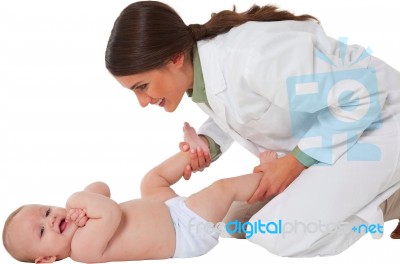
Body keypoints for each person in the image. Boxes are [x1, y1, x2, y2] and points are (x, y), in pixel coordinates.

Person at [105, 1, 400, 257]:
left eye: (142, 87)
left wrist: (295, 162)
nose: (143, 102)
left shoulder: (252, 59)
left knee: (280, 233)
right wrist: (208, 142)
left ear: (174, 58)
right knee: (234, 222)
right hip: (335, 131)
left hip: (380, 122)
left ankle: (391, 202)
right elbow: (242, 108)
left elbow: (364, 94)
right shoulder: (201, 70)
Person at [2, 123, 277, 263]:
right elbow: (109, 211)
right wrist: (77, 200)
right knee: (222, 189)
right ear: (47, 260)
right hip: (186, 232)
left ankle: (197, 151)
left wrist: (80, 206)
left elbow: (102, 189)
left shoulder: (81, 218)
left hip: (169, 210)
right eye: (41, 232)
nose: (49, 220)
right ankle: (266, 176)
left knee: (150, 181)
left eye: (47, 211)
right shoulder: (81, 250)